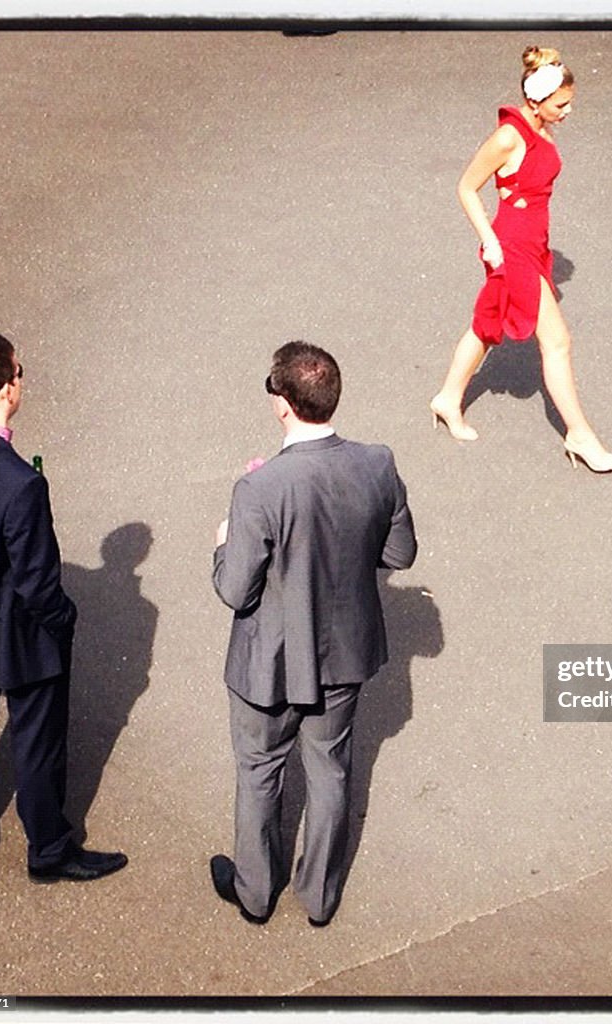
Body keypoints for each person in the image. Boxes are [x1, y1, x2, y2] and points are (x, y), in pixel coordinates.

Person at [210, 341, 417, 926]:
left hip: (269, 665)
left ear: (282, 404)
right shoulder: (377, 463)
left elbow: (236, 590)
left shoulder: (260, 489)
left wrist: (224, 542)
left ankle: (255, 892)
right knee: (329, 769)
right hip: (343, 656)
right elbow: (399, 551)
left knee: (259, 771)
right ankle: (319, 897)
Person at [0, 332, 127, 883]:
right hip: (19, 638)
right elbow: (36, 584)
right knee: (36, 741)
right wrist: (64, 619)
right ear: (8, 389)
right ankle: (49, 849)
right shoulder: (19, 484)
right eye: (20, 371)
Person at [429, 45, 612, 473]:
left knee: (487, 323)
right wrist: (490, 241)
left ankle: (447, 398)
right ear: (536, 100)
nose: (569, 111)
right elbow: (465, 187)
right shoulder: (507, 137)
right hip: (512, 245)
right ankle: (580, 435)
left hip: (533, 242)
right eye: (562, 104)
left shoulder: (540, 127)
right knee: (557, 342)